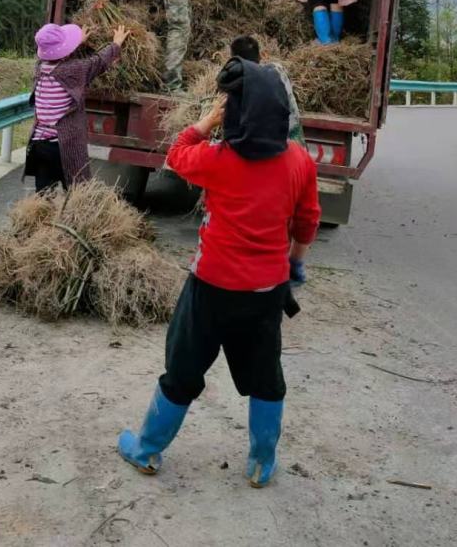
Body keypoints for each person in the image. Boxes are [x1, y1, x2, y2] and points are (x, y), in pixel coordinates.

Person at [118, 57, 320, 488]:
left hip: (209, 288)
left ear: (234, 113)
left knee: (183, 371)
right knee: (266, 376)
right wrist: (295, 264)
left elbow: (175, 154)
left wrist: (204, 121)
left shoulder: (216, 158)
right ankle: (262, 462)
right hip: (267, 290)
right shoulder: (300, 160)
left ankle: (147, 449)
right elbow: (307, 223)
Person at [24, 21, 131, 192]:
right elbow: (98, 62)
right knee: (76, 193)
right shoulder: (73, 70)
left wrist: (75, 43)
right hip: (62, 147)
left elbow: (57, 58)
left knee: (43, 196)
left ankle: (43, 218)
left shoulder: (39, 68)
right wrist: (116, 43)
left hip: (38, 145)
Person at [229, 35, 305, 148]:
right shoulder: (278, 71)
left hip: (275, 157)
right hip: (297, 149)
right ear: (259, 56)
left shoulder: (245, 86)